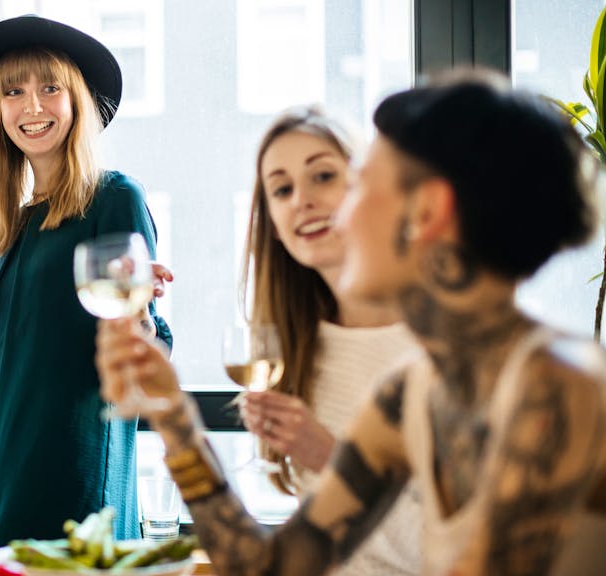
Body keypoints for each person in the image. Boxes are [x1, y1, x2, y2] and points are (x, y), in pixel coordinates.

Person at [96, 69, 606, 575]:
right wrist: (172, 415)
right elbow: (272, 567)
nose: (338, 217)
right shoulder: (408, 393)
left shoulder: (558, 385)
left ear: (427, 212)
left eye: (358, 185)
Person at [0, 15, 171, 554]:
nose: (32, 106)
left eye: (50, 88)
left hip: (70, 466)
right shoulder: (22, 221)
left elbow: (146, 350)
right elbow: (25, 355)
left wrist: (140, 316)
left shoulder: (115, 198)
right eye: (13, 92)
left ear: (77, 102)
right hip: (4, 457)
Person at [233, 106, 421, 575]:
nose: (302, 200)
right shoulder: (298, 345)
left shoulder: (433, 341)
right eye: (282, 189)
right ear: (272, 223)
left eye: (323, 176)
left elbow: (460, 538)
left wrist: (333, 459)